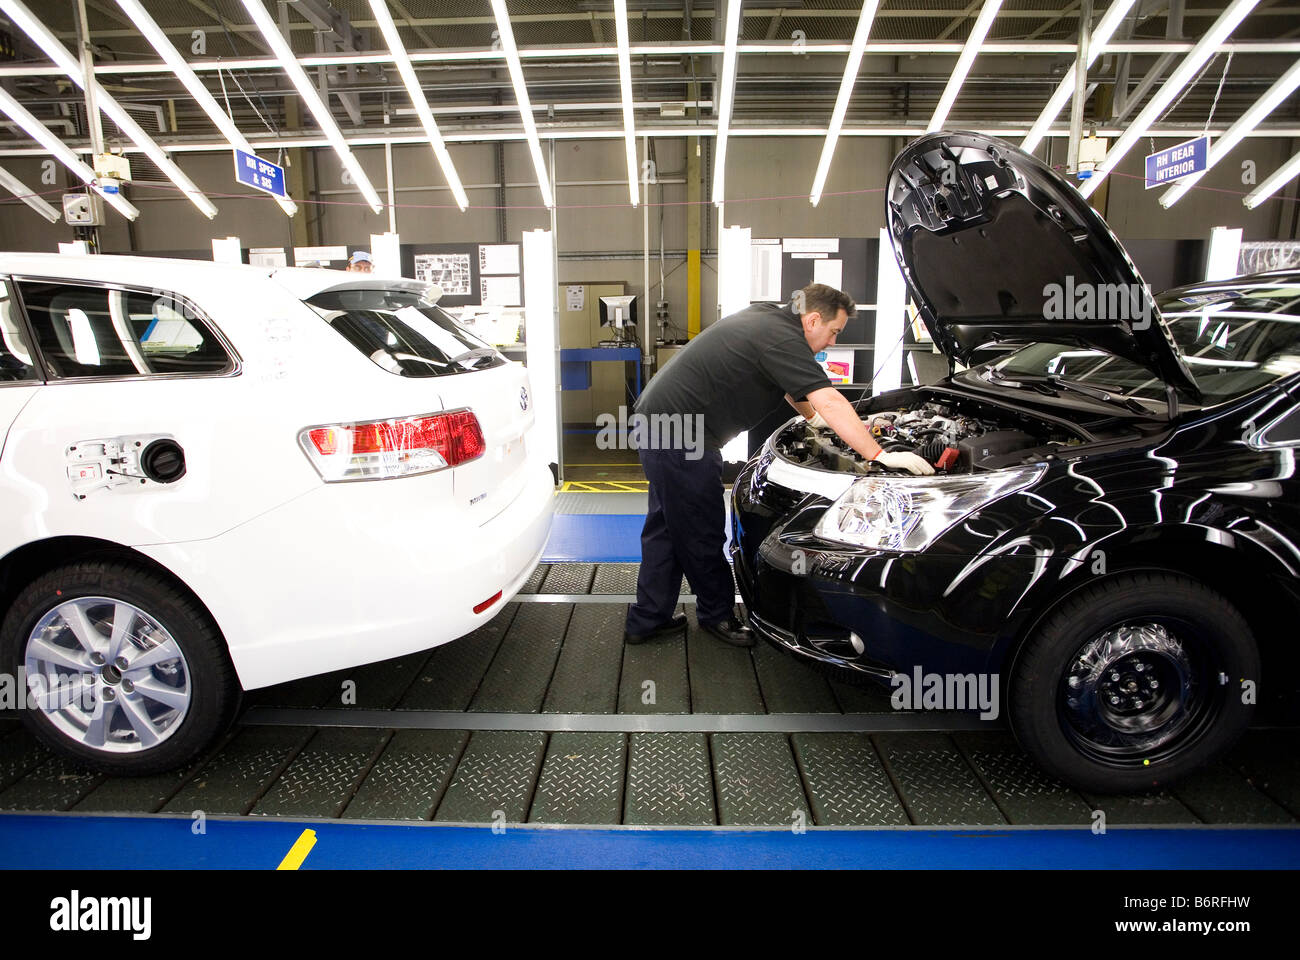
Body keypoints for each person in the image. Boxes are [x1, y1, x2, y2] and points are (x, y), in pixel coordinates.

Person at [624, 282, 934, 648]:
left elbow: (790, 385)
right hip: (682, 439)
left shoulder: (770, 319)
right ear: (814, 319)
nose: (833, 342)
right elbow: (832, 401)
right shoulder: (783, 339)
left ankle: (646, 620)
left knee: (666, 528)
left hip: (660, 425)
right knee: (701, 531)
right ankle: (717, 616)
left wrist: (812, 418)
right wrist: (879, 454)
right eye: (834, 332)